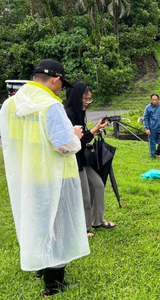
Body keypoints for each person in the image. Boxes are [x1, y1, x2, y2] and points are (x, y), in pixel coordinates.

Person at [0, 59, 90, 298]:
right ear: (56, 79)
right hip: (54, 175)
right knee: (58, 227)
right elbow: (63, 145)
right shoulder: (50, 105)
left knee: (39, 221)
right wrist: (76, 135)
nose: (62, 89)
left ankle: (39, 267)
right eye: (62, 83)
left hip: (28, 174)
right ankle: (54, 285)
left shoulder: (11, 104)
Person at [64, 82, 113, 237]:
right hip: (74, 160)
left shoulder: (79, 112)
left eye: (89, 99)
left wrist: (94, 131)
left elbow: (83, 136)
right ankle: (83, 229)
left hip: (83, 157)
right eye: (84, 98)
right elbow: (73, 139)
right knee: (84, 195)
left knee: (98, 185)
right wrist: (92, 131)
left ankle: (97, 220)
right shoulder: (68, 114)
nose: (87, 102)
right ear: (75, 96)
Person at [142, 93, 160, 159]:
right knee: (152, 144)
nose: (154, 101)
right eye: (153, 100)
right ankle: (153, 157)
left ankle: (158, 153)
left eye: (156, 100)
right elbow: (145, 118)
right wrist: (146, 128)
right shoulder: (148, 108)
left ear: (158, 100)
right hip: (152, 129)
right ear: (151, 100)